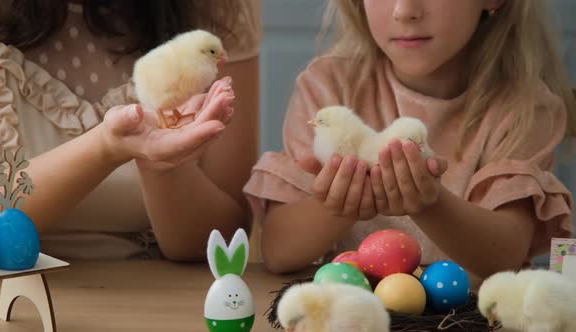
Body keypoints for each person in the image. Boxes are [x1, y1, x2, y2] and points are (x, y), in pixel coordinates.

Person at [244, 0, 575, 281]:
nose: (405, 10)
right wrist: (339, 205)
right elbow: (277, 251)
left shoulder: (523, 109)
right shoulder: (327, 89)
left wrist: (431, 204)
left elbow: (506, 255)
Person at [0, 0, 261, 260]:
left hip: (153, 297)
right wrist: (104, 147)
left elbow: (221, 243)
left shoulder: (215, 11)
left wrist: (165, 166)